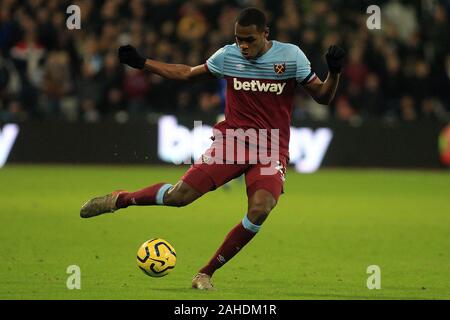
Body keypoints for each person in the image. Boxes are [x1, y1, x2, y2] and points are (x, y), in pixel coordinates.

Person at [80, 7, 345, 290]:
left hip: (270, 149)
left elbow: (323, 97)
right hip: (231, 144)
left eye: (250, 39)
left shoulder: (290, 56)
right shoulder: (227, 55)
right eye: (238, 39)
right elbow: (186, 74)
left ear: (265, 34)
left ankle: (204, 273)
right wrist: (143, 63)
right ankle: (121, 199)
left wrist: (334, 72)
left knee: (260, 209)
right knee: (178, 197)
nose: (243, 45)